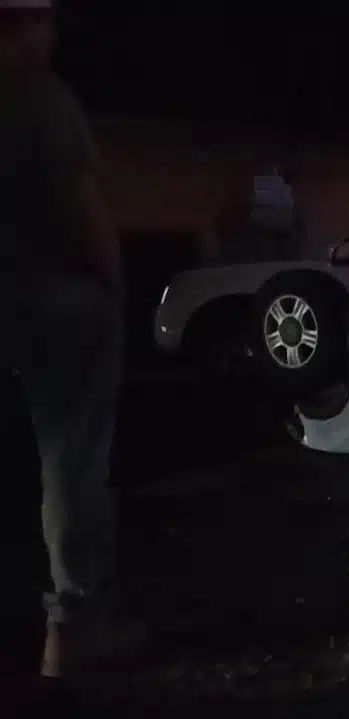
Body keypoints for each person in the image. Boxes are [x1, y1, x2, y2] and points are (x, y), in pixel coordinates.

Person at [0, 0, 145, 679]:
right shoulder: (40, 98)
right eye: (45, 19)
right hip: (53, 296)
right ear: (21, 23)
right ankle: (77, 623)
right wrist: (114, 285)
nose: (53, 34)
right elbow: (79, 206)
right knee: (71, 459)